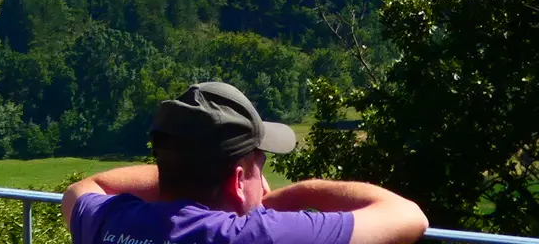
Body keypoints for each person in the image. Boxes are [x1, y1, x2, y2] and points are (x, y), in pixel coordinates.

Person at [62, 81, 428, 244]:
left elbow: (81, 190)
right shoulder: (256, 236)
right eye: (261, 167)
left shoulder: (109, 222)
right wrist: (294, 196)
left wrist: (175, 171)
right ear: (238, 181)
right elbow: (409, 217)